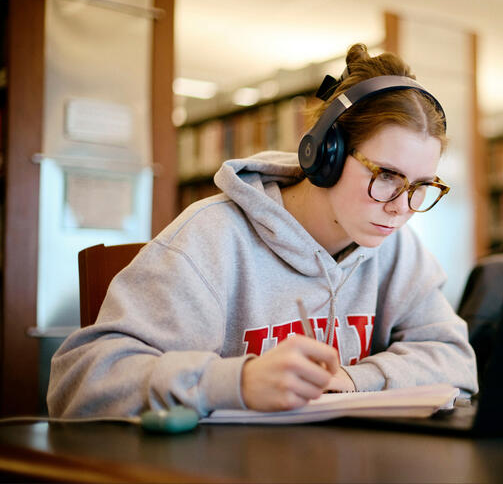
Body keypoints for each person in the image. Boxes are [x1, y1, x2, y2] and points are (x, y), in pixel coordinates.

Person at [47, 43, 479, 417]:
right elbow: (80, 383)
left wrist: (353, 379)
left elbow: (456, 362)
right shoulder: (211, 238)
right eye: (385, 175)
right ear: (323, 155)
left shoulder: (397, 248)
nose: (402, 208)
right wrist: (237, 382)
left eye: (421, 186)